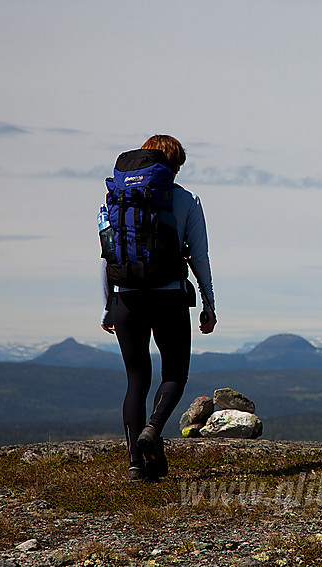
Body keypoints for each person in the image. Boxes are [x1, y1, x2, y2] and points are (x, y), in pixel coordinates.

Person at [99, 134, 217, 482]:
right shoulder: (187, 201)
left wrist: (108, 306)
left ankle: (137, 466)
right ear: (175, 166)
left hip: (126, 298)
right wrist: (208, 303)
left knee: (136, 380)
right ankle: (153, 428)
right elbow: (199, 255)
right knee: (175, 374)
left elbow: (106, 256)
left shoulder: (116, 199)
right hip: (169, 298)